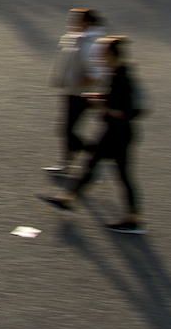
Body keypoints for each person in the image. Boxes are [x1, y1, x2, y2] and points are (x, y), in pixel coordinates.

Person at [39, 36, 146, 234]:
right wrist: (100, 98)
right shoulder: (117, 73)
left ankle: (67, 200)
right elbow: (118, 100)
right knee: (107, 170)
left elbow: (126, 111)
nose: (98, 58)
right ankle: (133, 218)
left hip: (118, 132)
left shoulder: (122, 77)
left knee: (98, 166)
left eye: (101, 54)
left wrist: (102, 105)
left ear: (111, 55)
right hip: (117, 131)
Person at [47, 8, 107, 171]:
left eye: (76, 19)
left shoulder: (88, 43)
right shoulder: (75, 38)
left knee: (66, 129)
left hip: (82, 93)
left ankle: (97, 153)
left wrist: (77, 82)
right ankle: (66, 162)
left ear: (88, 22)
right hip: (72, 91)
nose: (72, 22)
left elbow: (96, 73)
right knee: (66, 129)